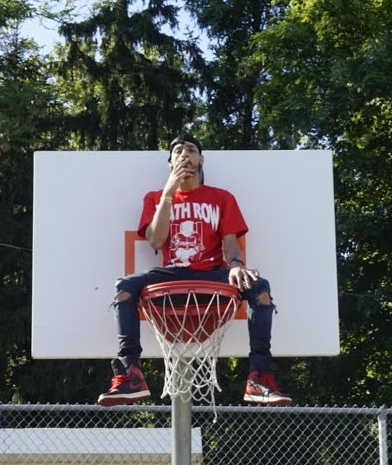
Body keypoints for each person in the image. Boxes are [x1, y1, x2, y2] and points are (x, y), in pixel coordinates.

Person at [97, 134, 292, 407]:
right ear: (170, 162)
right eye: (178, 151)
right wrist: (169, 193)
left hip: (210, 272)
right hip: (173, 273)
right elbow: (156, 241)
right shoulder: (154, 198)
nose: (184, 155)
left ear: (201, 159)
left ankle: (260, 377)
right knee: (124, 287)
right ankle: (130, 374)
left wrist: (236, 266)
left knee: (259, 287)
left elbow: (230, 243)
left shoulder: (221, 197)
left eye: (191, 150)